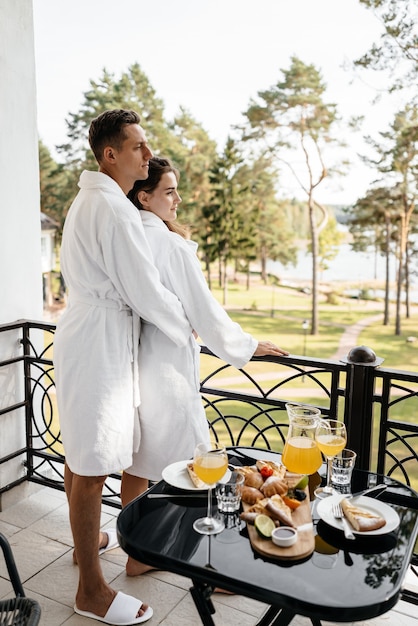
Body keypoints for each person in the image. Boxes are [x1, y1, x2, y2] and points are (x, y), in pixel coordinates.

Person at [53, 111, 194, 625]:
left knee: (79, 457)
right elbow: (146, 291)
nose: (146, 152)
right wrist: (187, 325)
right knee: (91, 469)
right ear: (111, 154)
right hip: (99, 345)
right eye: (137, 145)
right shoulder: (111, 210)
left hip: (88, 334)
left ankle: (83, 547)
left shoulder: (94, 199)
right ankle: (91, 589)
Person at [122, 156, 289, 575]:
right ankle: (215, 567)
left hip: (131, 363)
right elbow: (204, 309)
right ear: (145, 197)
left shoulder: (128, 237)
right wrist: (248, 345)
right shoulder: (170, 245)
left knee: (138, 464)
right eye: (169, 191)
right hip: (168, 368)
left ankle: (138, 555)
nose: (178, 199)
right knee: (202, 467)